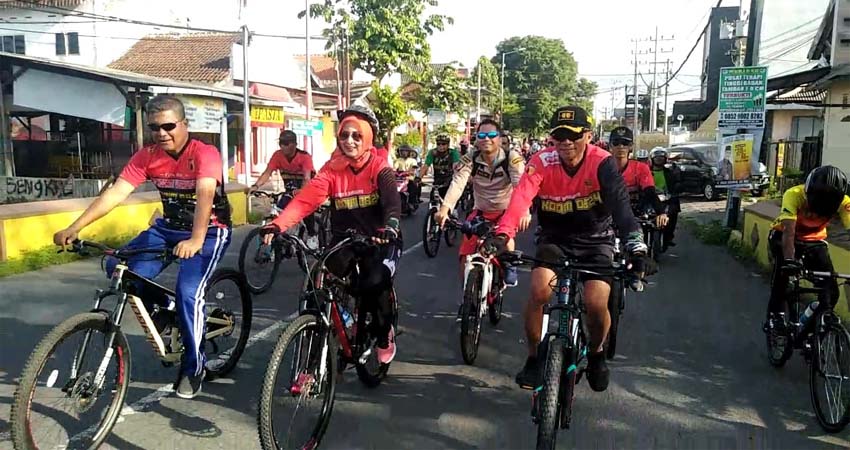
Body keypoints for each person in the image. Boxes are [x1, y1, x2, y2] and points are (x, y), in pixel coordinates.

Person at [53, 95, 232, 399]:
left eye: (169, 126)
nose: (162, 133)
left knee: (189, 293)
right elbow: (115, 194)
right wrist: (75, 227)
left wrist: (196, 240)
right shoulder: (148, 155)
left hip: (210, 231)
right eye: (155, 127)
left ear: (184, 124)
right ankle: (164, 315)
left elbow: (204, 196)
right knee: (117, 265)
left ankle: (193, 366)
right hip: (167, 229)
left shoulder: (205, 153)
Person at [484, 106, 647, 392]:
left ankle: (596, 354)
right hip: (554, 239)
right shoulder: (541, 161)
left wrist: (636, 246)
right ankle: (534, 358)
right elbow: (520, 200)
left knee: (597, 303)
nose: (566, 142)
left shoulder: (602, 162)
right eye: (559, 135)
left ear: (587, 135)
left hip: (597, 240)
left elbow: (622, 208)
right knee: (539, 291)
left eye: (573, 135)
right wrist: (502, 234)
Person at [261, 106, 402, 364]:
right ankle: (323, 341)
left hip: (380, 241)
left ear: (368, 138)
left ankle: (384, 334)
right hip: (345, 241)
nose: (349, 141)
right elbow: (305, 201)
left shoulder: (379, 167)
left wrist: (390, 226)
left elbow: (392, 203)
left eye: (356, 136)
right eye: (344, 135)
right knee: (319, 281)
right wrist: (277, 224)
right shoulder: (332, 170)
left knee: (374, 283)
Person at [433, 119, 529, 320]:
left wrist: (524, 211)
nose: (486, 140)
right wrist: (445, 208)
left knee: (506, 241)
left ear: (500, 139)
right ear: (476, 140)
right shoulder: (471, 159)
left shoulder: (512, 159)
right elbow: (458, 183)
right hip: (480, 212)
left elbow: (521, 186)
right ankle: (468, 295)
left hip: (506, 212)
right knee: (464, 256)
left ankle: (507, 268)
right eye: (481, 136)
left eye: (491, 135)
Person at [765, 166, 850, 332]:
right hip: (783, 236)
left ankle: (810, 327)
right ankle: (775, 316)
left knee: (831, 292)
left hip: (814, 240)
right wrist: (789, 261)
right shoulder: (794, 194)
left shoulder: (844, 202)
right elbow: (789, 232)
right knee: (782, 278)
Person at [609, 127, 668, 229]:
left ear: (631, 146)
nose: (621, 146)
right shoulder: (602, 167)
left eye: (625, 143)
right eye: (616, 143)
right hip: (609, 214)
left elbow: (650, 191)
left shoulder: (641, 168)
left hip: (636, 213)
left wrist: (661, 212)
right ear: (610, 146)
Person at [649, 148, 681, 250]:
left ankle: (669, 237)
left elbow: (677, 183)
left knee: (673, 213)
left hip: (667, 199)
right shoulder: (646, 171)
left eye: (661, 158)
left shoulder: (671, 172)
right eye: (656, 157)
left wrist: (677, 188)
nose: (659, 160)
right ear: (652, 159)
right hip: (650, 199)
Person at [419, 134, 461, 201]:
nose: (441, 146)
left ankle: (454, 211)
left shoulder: (453, 153)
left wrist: (458, 179)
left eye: (443, 144)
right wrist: (419, 177)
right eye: (439, 144)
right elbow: (426, 166)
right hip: (437, 181)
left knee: (451, 201)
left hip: (450, 181)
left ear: (448, 144)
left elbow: (455, 167)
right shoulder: (432, 153)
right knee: (433, 199)